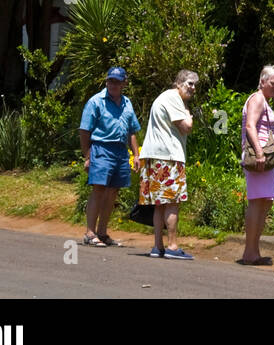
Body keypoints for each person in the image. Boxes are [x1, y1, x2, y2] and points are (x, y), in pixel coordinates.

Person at [78, 66, 141, 247]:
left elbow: (132, 131)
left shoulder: (127, 103)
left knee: (113, 192)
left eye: (117, 81)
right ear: (106, 82)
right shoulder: (96, 102)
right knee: (98, 190)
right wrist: (88, 155)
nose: (113, 84)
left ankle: (102, 232)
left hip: (120, 152)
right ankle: (90, 233)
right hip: (102, 149)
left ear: (123, 84)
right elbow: (84, 130)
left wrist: (136, 154)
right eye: (110, 81)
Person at [139, 70, 198, 260]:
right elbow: (186, 127)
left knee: (160, 204)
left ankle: (158, 246)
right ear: (178, 83)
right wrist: (188, 113)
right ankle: (172, 246)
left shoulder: (164, 97)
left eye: (195, 85)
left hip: (154, 155)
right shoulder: (173, 98)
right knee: (172, 203)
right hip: (168, 157)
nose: (193, 88)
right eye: (190, 83)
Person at [239, 65, 274, 266]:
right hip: (259, 158)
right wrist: (259, 152)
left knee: (265, 202)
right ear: (262, 81)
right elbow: (250, 126)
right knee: (257, 202)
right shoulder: (257, 99)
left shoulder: (264, 100)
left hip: (264, 158)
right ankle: (249, 252)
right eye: (273, 83)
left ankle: (254, 250)